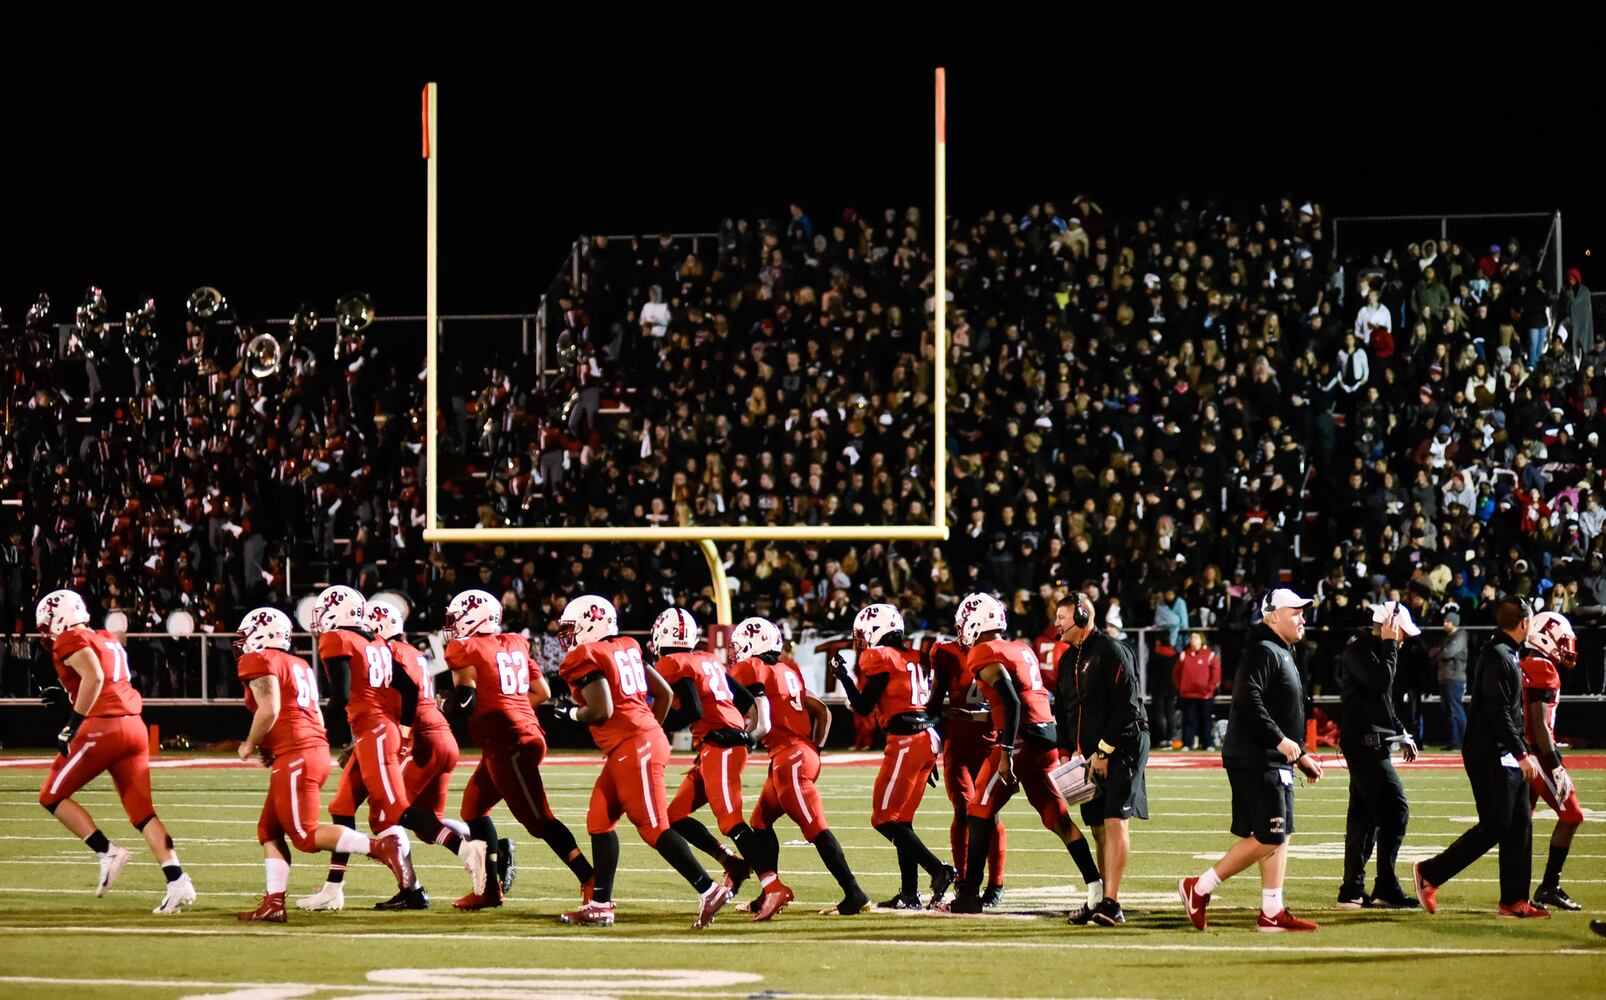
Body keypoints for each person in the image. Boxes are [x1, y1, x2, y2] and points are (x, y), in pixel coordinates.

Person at [554, 594, 731, 929]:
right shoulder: (628, 647)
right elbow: (663, 693)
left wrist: (571, 712)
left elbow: (601, 709)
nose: (568, 635)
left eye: (571, 627)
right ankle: (600, 904)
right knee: (599, 819)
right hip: (634, 742)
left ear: (591, 623)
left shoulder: (587, 654)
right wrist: (650, 728)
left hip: (633, 745)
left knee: (652, 827)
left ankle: (708, 889)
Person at [233, 607, 412, 922]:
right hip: (309, 748)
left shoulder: (259, 659)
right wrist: (270, 744)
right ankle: (274, 902)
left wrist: (249, 744)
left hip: (296, 754)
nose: (243, 642)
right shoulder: (298, 662)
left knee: (304, 835)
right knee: (269, 829)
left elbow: (270, 708)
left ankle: (378, 847)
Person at [35, 589, 195, 914]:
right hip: (134, 726)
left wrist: (71, 724)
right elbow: (102, 677)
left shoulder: (68, 640)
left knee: (51, 795)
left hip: (102, 727)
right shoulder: (106, 636)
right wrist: (68, 695)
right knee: (143, 813)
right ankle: (177, 880)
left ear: (59, 618)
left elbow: (94, 677)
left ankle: (106, 851)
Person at [944, 593, 1102, 915]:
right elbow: (1017, 699)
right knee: (1057, 817)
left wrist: (1004, 751)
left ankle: (969, 896)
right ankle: (1097, 888)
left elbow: (1012, 702)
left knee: (977, 808)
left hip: (1020, 740)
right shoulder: (1021, 648)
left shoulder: (984, 651)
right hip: (1045, 735)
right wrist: (975, 717)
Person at [1179, 589, 1324, 932]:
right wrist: (1280, 740)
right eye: (1296, 612)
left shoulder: (1279, 650)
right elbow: (1247, 700)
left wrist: (1299, 753)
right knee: (1271, 834)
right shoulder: (1263, 649)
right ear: (1274, 615)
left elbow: (1278, 710)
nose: (1303, 619)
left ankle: (1271, 911)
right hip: (1257, 755)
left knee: (1280, 832)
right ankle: (1198, 888)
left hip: (1270, 755)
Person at [443, 588, 587, 911]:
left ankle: (590, 879)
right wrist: (512, 708)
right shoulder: (514, 643)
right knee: (473, 808)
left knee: (539, 821)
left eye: (456, 617)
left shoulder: (465, 648)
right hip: (518, 736)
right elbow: (542, 690)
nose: (453, 625)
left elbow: (465, 702)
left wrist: (442, 704)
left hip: (509, 742)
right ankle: (489, 890)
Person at [1413, 596, 1548, 918]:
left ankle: (1514, 900)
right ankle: (1430, 873)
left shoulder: (1505, 653)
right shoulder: (1499, 655)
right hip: (1491, 753)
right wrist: (1522, 752)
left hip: (1502, 753)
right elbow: (1498, 711)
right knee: (1496, 824)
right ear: (1524, 622)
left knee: (1519, 826)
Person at [731, 616, 871, 919]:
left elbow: (760, 721)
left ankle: (854, 892)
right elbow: (823, 713)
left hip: (789, 759)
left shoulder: (752, 668)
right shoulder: (787, 671)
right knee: (760, 822)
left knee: (815, 828)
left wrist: (740, 739)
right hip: (795, 755)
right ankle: (769, 891)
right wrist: (815, 751)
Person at [365, 599, 492, 910]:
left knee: (385, 814)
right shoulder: (412, 651)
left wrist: (403, 735)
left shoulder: (389, 651)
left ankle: (411, 888)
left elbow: (403, 696)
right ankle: (494, 850)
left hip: (422, 738)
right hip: (442, 734)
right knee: (427, 825)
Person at [831, 603, 956, 909]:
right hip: (926, 736)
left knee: (884, 818)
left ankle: (938, 870)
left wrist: (844, 677)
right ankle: (910, 895)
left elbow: (862, 706)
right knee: (902, 820)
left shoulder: (879, 657)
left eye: (864, 633)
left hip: (906, 739)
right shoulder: (912, 656)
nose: (861, 640)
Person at [1054, 593, 1148, 927]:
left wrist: (1105, 750)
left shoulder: (1111, 651)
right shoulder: (1067, 660)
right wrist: (1065, 753)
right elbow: (1065, 711)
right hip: (1089, 757)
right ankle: (1102, 899)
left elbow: (1128, 709)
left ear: (1081, 616)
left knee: (1113, 821)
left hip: (1122, 747)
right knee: (1097, 828)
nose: (1057, 624)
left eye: (1062, 617)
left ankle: (1113, 902)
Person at [653, 607, 759, 895]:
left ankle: (772, 884)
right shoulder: (707, 659)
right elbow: (748, 699)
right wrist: (747, 731)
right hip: (717, 744)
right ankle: (730, 862)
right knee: (674, 816)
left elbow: (691, 709)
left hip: (721, 745)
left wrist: (653, 725)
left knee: (730, 820)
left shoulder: (673, 662)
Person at [1336, 601, 1421, 909]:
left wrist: (1400, 732)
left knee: (1364, 817)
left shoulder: (1372, 651)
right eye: (1401, 632)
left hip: (1370, 741)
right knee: (1395, 811)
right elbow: (1380, 683)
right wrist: (1389, 645)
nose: (1404, 639)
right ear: (1389, 625)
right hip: (1364, 744)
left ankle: (1352, 890)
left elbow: (1382, 701)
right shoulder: (1360, 651)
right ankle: (1384, 885)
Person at [926, 632, 1007, 906]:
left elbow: (1010, 702)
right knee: (962, 810)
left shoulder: (1001, 651)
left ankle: (996, 884)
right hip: (958, 745)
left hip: (990, 744)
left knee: (988, 813)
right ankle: (963, 881)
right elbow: (934, 704)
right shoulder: (946, 653)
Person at [1520, 611, 1585, 912]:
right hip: (1535, 753)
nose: (1565, 647)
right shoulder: (1542, 667)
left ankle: (1517, 893)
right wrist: (1556, 765)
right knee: (1572, 816)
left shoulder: (1526, 663)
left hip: (1525, 751)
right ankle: (1549, 886)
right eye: (1561, 640)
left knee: (1518, 823)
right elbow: (1539, 723)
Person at [1173, 631, 1221, 750]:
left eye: (1196, 637)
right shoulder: (1184, 655)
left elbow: (1216, 674)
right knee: (1188, 719)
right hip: (1188, 694)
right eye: (1192, 637)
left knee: (1206, 719)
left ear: (1201, 640)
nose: (1193, 640)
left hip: (1205, 695)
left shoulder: (1209, 655)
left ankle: (1208, 744)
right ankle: (1187, 744)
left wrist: (1209, 688)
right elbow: (1176, 673)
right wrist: (1182, 687)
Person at [1431, 609, 1468, 750]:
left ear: (1454, 622)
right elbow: (1435, 653)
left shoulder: (1461, 636)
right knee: (1448, 711)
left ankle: (1464, 740)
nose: (1444, 623)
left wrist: (1439, 652)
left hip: (1455, 678)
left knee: (1456, 710)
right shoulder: (1447, 638)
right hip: (1445, 677)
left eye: (1447, 621)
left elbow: (1447, 653)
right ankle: (1454, 741)